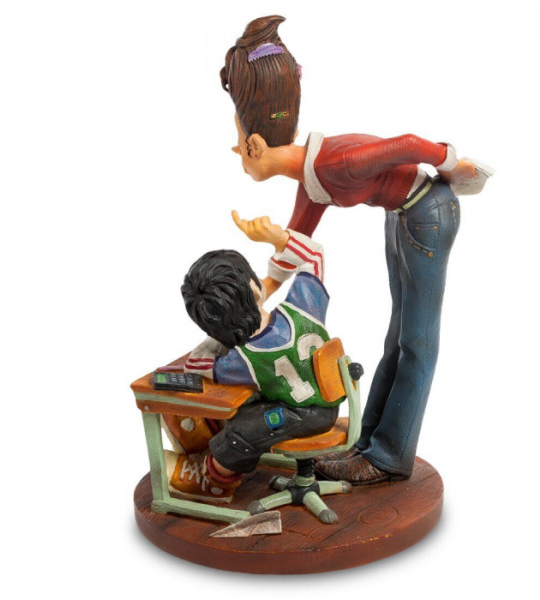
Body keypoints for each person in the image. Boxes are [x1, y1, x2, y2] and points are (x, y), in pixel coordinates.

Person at [220, 16, 493, 484]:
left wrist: (455, 163)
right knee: (398, 337)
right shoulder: (312, 178)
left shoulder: (336, 163)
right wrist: (258, 291)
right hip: (403, 214)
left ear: (256, 144)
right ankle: (369, 444)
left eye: (239, 147)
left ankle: (389, 457)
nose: (237, 154)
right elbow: (298, 236)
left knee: (417, 342)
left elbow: (409, 145)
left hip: (428, 214)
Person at [163, 212, 342, 502]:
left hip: (307, 415)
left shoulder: (243, 360)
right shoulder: (303, 306)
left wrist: (221, 334)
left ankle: (214, 481)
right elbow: (314, 256)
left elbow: (196, 364)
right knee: (246, 410)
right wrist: (279, 240)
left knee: (241, 430)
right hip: (327, 401)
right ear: (255, 287)